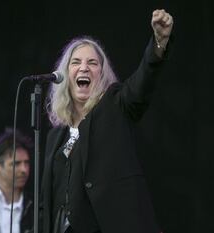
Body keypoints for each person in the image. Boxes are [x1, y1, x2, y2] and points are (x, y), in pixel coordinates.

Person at [41, 8, 174, 233]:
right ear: (65, 74)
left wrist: (159, 44)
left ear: (101, 74)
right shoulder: (56, 136)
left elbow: (142, 84)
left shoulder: (115, 106)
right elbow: (48, 201)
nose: (84, 67)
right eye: (76, 62)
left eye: (92, 63)